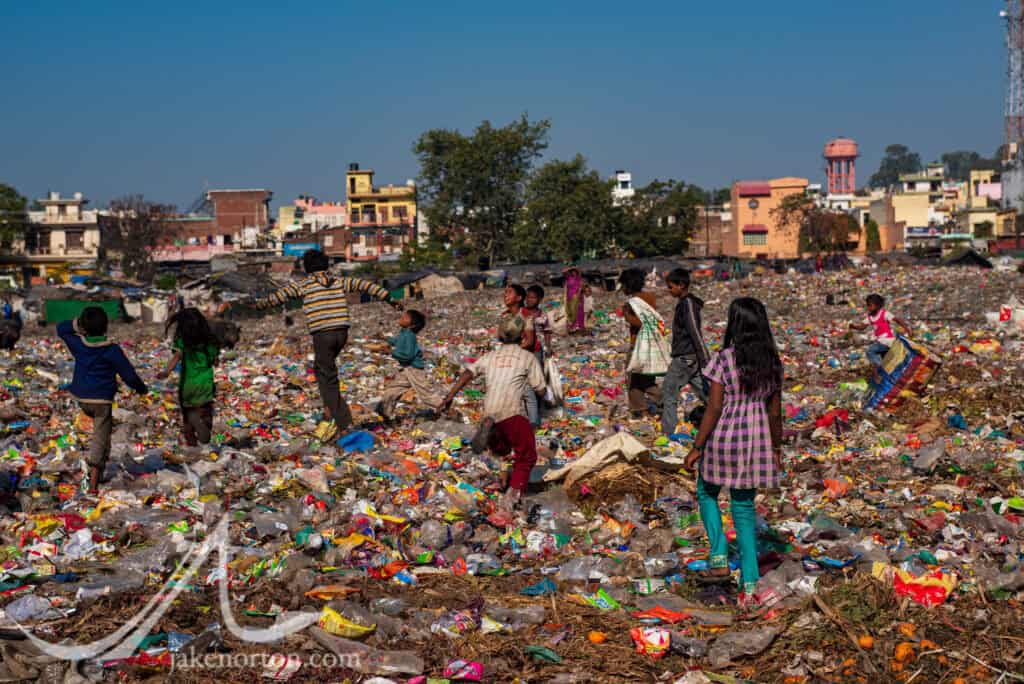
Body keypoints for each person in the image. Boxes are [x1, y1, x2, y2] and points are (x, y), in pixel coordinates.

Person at [226, 249, 400, 442]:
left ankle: (343, 423)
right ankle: (331, 411)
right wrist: (390, 299)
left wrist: (255, 305)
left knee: (328, 379)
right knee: (322, 371)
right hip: (341, 332)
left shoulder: (305, 285)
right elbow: (366, 285)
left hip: (322, 334)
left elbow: (278, 298)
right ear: (326, 265)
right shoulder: (339, 281)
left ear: (307, 268)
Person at [684, 297, 783, 601]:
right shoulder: (772, 363)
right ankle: (751, 583)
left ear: (735, 324)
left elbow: (714, 407)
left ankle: (717, 558)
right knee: (743, 508)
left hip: (724, 438)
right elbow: (775, 413)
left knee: (706, 492)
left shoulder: (725, 358)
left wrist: (697, 446)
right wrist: (776, 448)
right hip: (756, 442)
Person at [439, 315, 545, 508]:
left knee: (502, 448)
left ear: (500, 336)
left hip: (489, 410)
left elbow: (468, 372)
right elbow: (541, 389)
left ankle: (493, 440)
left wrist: (450, 396)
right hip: (513, 412)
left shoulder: (490, 356)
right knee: (526, 456)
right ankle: (511, 497)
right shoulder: (527, 357)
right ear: (522, 337)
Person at [57, 306, 148, 494]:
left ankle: (101, 470)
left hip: (82, 397)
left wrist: (79, 324)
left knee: (104, 437)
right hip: (101, 401)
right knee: (99, 438)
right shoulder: (112, 350)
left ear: (84, 327)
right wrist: (141, 388)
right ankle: (93, 486)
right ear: (106, 326)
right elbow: (129, 375)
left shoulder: (79, 344)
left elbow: (61, 328)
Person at [158, 307, 221, 447]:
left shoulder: (183, 342)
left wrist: (166, 372)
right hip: (205, 385)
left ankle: (192, 444)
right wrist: (213, 360)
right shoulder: (210, 342)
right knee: (206, 412)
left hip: (188, 385)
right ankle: (204, 427)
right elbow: (215, 361)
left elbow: (176, 357)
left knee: (187, 420)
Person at [661, 268, 710, 436]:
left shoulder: (688, 304)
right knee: (706, 393)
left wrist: (705, 359)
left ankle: (669, 432)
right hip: (691, 358)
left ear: (681, 285)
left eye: (671, 286)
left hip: (685, 358)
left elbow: (695, 332)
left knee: (669, 392)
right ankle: (724, 421)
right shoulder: (685, 303)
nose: (669, 290)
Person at [377, 309, 442, 421]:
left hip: (414, 369)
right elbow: (397, 341)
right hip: (405, 369)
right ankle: (385, 413)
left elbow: (407, 356)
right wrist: (385, 338)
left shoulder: (410, 336)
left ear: (412, 325)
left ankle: (446, 408)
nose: (402, 317)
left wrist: (390, 352)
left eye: (406, 317)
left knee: (425, 395)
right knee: (392, 390)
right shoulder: (403, 332)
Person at [620, 268, 662, 418]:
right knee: (646, 378)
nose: (622, 289)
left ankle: (647, 407)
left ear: (628, 285)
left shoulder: (633, 302)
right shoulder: (650, 297)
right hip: (651, 345)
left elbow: (642, 322)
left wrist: (626, 316)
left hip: (638, 345)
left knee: (633, 379)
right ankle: (658, 403)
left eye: (623, 285)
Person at [848, 293, 911, 368]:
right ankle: (890, 370)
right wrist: (853, 327)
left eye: (870, 305)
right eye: (868, 305)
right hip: (880, 342)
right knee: (885, 359)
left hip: (888, 341)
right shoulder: (870, 317)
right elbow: (862, 327)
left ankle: (880, 369)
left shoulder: (884, 314)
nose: (869, 308)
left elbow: (898, 320)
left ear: (877, 306)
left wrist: (907, 330)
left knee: (870, 351)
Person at [521, 285, 550, 427]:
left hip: (537, 351)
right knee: (526, 384)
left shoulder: (542, 315)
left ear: (539, 299)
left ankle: (536, 414)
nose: (529, 300)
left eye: (533, 297)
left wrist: (548, 347)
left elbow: (547, 332)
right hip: (524, 351)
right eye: (528, 297)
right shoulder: (522, 312)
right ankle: (533, 417)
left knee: (537, 381)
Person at [564, 267, 586, 334]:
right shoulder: (568, 278)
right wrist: (570, 268)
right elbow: (564, 272)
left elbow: (581, 288)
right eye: (572, 271)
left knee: (578, 312)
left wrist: (578, 297)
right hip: (569, 297)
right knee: (570, 312)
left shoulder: (579, 279)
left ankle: (579, 327)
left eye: (575, 271)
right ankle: (571, 327)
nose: (573, 272)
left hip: (577, 297)